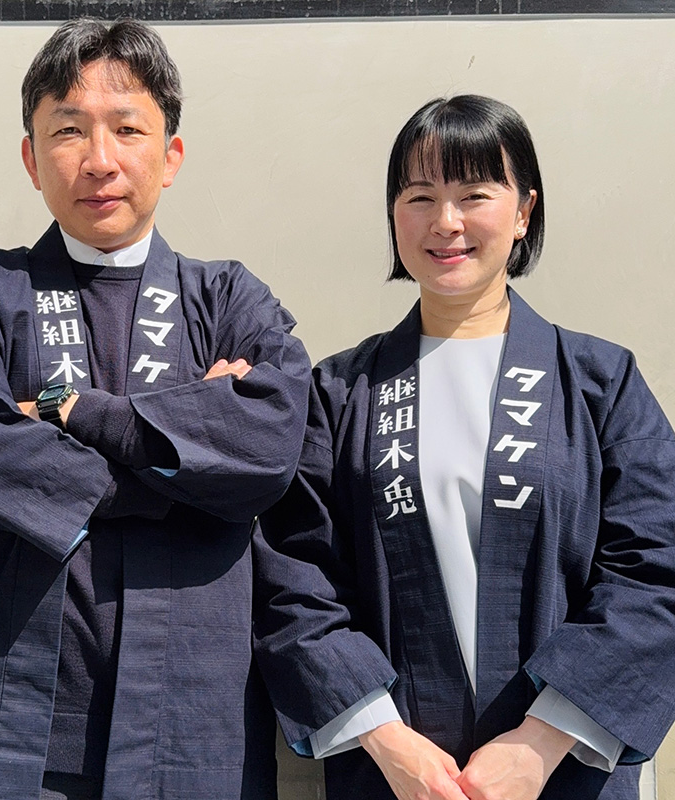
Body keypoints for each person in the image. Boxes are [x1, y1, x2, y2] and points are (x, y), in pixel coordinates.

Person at [0, 18, 310, 800]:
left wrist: (70, 412)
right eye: (68, 130)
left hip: (189, 717)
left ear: (171, 154)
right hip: (11, 723)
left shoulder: (231, 299)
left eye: (128, 129)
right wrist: (184, 463)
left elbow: (267, 449)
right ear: (31, 158)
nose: (99, 159)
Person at [253, 94, 675, 800]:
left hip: (563, 774)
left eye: (474, 194)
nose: (445, 221)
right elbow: (294, 580)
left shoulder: (601, 382)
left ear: (524, 211)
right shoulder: (340, 392)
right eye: (419, 196)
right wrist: (390, 743)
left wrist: (539, 744)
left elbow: (657, 571)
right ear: (394, 215)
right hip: (395, 778)